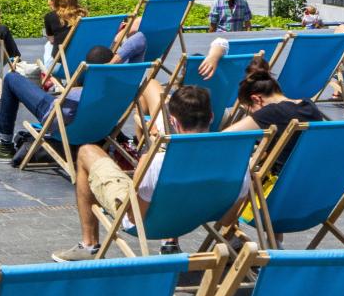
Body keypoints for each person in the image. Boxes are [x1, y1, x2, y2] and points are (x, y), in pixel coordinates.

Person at [52, 85, 244, 261]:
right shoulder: (238, 164)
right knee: (174, 184)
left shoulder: (158, 162)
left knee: (87, 151)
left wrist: (145, 162)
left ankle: (89, 244)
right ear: (211, 116)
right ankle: (171, 242)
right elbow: (227, 219)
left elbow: (136, 219)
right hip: (193, 219)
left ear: (172, 121)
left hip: (150, 224)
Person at [0, 45, 115, 163]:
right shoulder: (121, 91)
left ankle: (5, 146)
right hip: (97, 132)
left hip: (58, 119)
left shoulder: (80, 94)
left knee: (11, 79)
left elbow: (65, 106)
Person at [225, 58, 327, 172]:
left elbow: (221, 138)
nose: (253, 114)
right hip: (312, 175)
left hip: (277, 184)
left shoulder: (272, 112)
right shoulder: (309, 105)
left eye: (250, 109)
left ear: (257, 99)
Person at [42, 0, 88, 67]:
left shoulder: (50, 17)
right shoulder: (83, 15)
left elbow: (51, 40)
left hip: (61, 64)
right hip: (83, 62)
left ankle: (53, 79)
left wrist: (53, 9)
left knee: (48, 45)